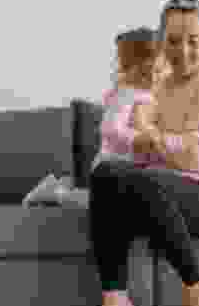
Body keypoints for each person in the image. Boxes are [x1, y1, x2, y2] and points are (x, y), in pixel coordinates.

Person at [68, 0, 199, 306]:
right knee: (106, 173)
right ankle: (115, 305)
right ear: (161, 42)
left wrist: (151, 138)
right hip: (156, 187)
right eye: (173, 41)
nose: (183, 50)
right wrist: (147, 138)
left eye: (194, 41)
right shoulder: (153, 85)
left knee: (137, 178)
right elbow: (125, 144)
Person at [21, 27, 169, 209]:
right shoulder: (125, 95)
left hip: (138, 169)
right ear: (132, 69)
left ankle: (63, 186)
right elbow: (110, 129)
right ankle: (55, 193)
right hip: (112, 167)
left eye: (162, 72)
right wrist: (138, 139)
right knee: (104, 205)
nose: (157, 78)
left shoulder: (155, 99)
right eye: (150, 72)